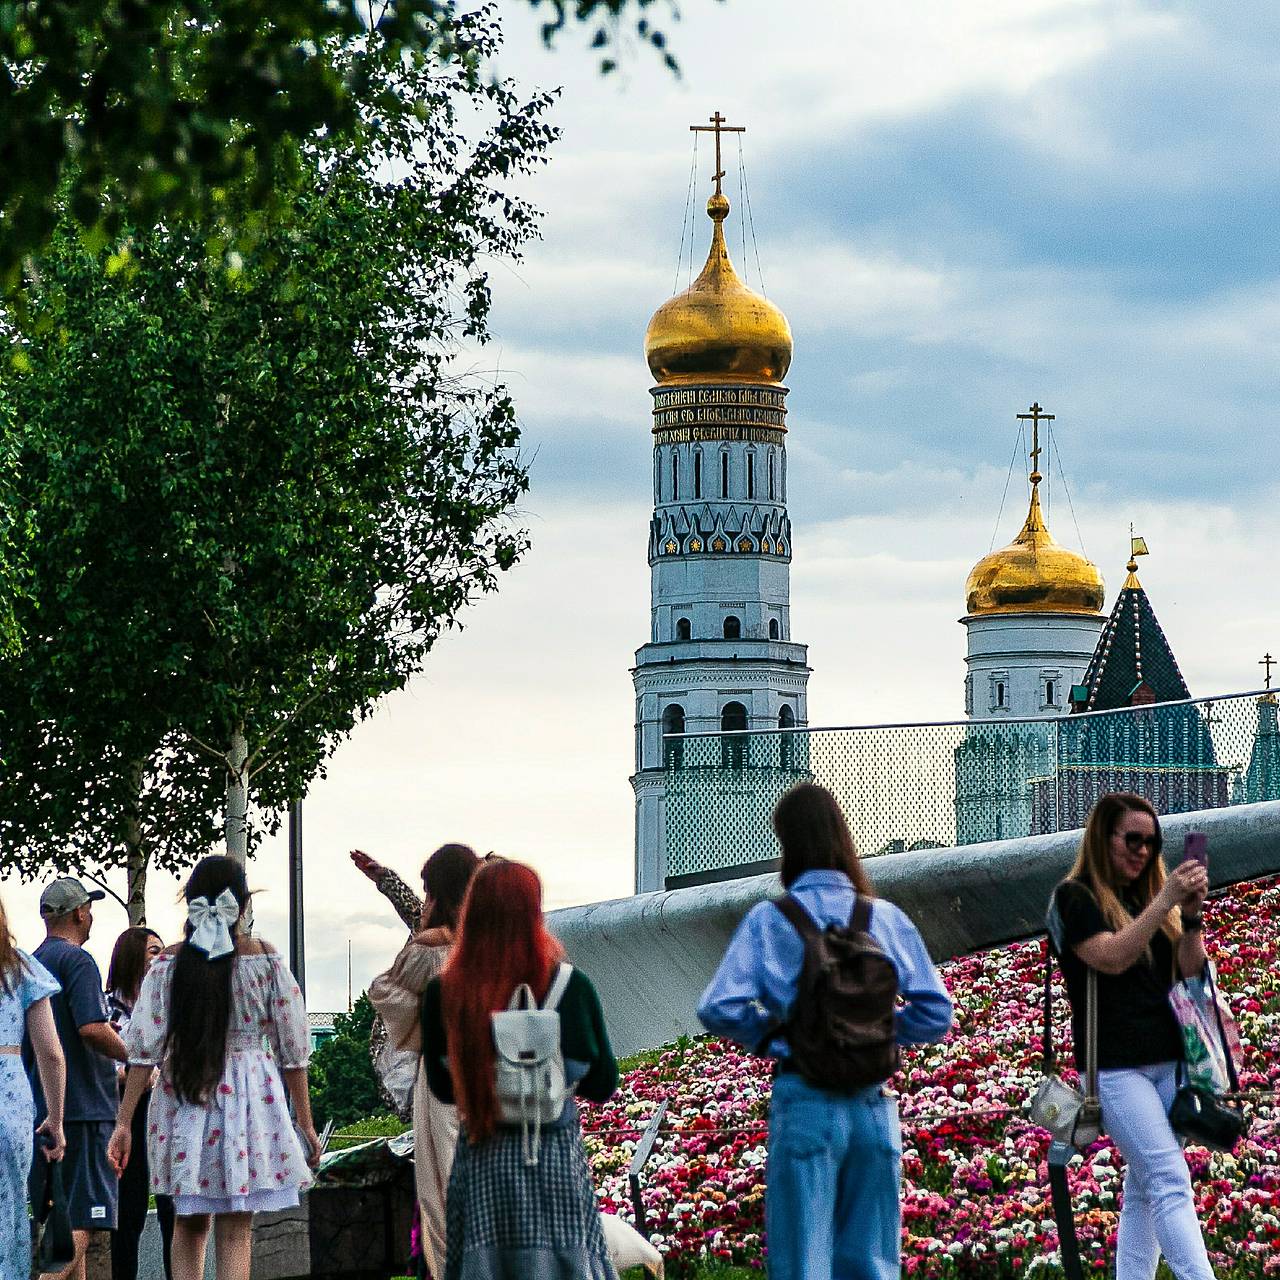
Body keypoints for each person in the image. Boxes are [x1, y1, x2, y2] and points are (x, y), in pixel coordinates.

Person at [698, 782, 954, 1280]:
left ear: (787, 843)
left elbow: (718, 1006)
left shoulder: (771, 921)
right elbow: (935, 1012)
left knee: (802, 1266)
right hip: (871, 1107)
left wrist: (780, 1037)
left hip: (807, 1099)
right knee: (873, 1265)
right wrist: (875, 1029)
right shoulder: (882, 917)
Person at [108, 856, 321, 1280]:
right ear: (242, 904)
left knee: (188, 1222)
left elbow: (142, 1051)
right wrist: (306, 1122)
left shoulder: (168, 963)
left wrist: (124, 1122)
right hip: (248, 1095)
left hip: (186, 1091)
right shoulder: (265, 959)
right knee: (236, 1224)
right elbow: (292, 1051)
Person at [420, 858, 619, 1280]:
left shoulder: (444, 992)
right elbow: (603, 1083)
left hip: (482, 1159)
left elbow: (442, 1087)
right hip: (554, 1161)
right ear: (535, 912)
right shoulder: (570, 986)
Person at [1048, 792, 1213, 1280]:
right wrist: (1166, 898)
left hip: (1169, 1059)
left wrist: (1192, 916)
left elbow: (1192, 976)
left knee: (1145, 1186)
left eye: (1153, 842)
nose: (1143, 851)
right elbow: (1111, 955)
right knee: (1167, 1179)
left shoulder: (1153, 899)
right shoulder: (1074, 897)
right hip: (1116, 1066)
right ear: (1104, 839)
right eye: (1133, 839)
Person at [367, 843, 480, 1280]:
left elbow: (387, 993)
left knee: (441, 1183)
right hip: (492, 1074)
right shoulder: (491, 946)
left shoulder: (429, 949)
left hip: (441, 1075)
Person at [24, 876, 127, 1280]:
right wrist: (139, 1055)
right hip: (84, 1109)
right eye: (89, 909)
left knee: (63, 1214)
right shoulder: (78, 961)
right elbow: (91, 1028)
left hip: (43, 1108)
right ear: (80, 913)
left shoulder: (31, 962)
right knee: (86, 1218)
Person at [1, 890, 67, 1280]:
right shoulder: (20, 969)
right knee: (9, 1213)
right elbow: (52, 1054)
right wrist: (55, 1120)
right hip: (9, 1102)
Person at [106, 926, 175, 1280]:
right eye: (152, 951)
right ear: (131, 956)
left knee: (172, 1209)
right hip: (126, 1115)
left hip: (166, 1113)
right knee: (128, 1213)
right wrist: (132, 1073)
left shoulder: (169, 1007)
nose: (160, 958)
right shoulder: (106, 1009)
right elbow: (100, 1062)